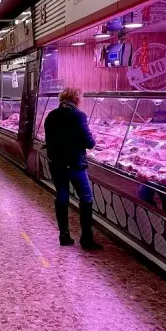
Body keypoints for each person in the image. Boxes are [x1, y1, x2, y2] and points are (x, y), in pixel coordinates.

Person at [44, 88, 102, 250]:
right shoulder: (78, 115)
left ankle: (64, 235)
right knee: (86, 198)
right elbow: (89, 143)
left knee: (62, 196)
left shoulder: (51, 116)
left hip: (56, 164)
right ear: (76, 99)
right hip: (75, 164)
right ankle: (86, 238)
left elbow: (49, 140)